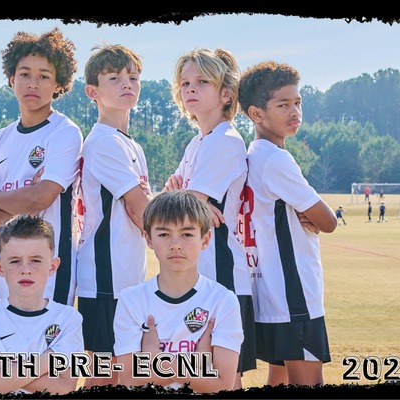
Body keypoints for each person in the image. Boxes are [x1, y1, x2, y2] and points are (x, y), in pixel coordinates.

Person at [162, 48, 255, 387]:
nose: (190, 88)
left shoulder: (224, 141)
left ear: (226, 94)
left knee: (224, 379)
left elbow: (176, 212)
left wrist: (184, 200)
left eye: (202, 81)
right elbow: (175, 204)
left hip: (221, 274)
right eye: (185, 82)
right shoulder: (198, 143)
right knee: (199, 377)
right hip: (197, 275)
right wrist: (183, 199)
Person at [241, 61, 337, 386]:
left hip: (268, 295)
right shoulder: (276, 159)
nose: (294, 111)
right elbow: (328, 221)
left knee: (278, 379)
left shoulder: (252, 155)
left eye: (298, 102)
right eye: (283, 105)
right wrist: (314, 216)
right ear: (256, 113)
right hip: (294, 296)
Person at [0, 29, 82, 307]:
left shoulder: (64, 133)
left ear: (58, 84)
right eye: (24, 74)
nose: (33, 83)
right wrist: (21, 201)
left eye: (44, 76)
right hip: (3, 271)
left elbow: (39, 199)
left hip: (50, 274)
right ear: (12, 79)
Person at [74, 43, 151, 388]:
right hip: (105, 277)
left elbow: (143, 207)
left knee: (125, 374)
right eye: (114, 78)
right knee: (103, 376)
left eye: (132, 77)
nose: (127, 84)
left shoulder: (130, 144)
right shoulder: (104, 142)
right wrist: (186, 217)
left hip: (127, 276)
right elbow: (141, 208)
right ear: (93, 91)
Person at [114, 190, 243, 393]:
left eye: (187, 234)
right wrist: (196, 364)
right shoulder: (131, 300)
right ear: (148, 239)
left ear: (205, 239)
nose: (175, 245)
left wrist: (157, 361)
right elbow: (130, 380)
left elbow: (223, 384)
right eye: (164, 234)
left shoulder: (223, 301)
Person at [0, 214, 82, 395]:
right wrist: (47, 361)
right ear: (0, 268)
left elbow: (64, 387)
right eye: (15, 261)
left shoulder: (68, 319)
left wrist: (1, 368)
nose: (26, 269)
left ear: (52, 266)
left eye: (36, 260)